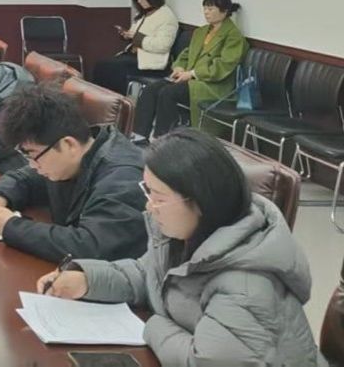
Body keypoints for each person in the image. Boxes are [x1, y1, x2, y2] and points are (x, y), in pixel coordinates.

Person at [37, 129, 325, 367]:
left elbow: (201, 361)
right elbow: (146, 272)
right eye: (147, 191)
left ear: (200, 201)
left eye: (159, 197)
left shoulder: (246, 287)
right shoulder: (186, 234)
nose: (149, 206)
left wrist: (152, 323)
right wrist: (87, 280)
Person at [0, 83, 147, 262]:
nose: (32, 165)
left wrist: (11, 227)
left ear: (68, 144)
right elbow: (24, 178)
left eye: (33, 156)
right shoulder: (68, 155)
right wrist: (0, 196)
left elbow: (90, 246)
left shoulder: (123, 179)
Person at [133, 0, 248, 140]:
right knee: (151, 89)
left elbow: (223, 66)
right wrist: (179, 67)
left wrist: (193, 73)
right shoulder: (201, 32)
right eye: (204, 8)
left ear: (224, 11)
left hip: (212, 85)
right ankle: (139, 135)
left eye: (211, 9)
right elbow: (186, 54)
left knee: (168, 93)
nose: (206, 12)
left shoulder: (234, 36)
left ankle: (163, 138)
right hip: (189, 77)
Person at [91, 0, 179, 95]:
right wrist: (127, 35)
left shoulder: (166, 16)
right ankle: (102, 100)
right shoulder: (144, 14)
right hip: (134, 56)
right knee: (101, 66)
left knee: (112, 68)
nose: (139, 1)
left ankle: (116, 101)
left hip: (151, 62)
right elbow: (135, 34)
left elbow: (163, 45)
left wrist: (138, 38)